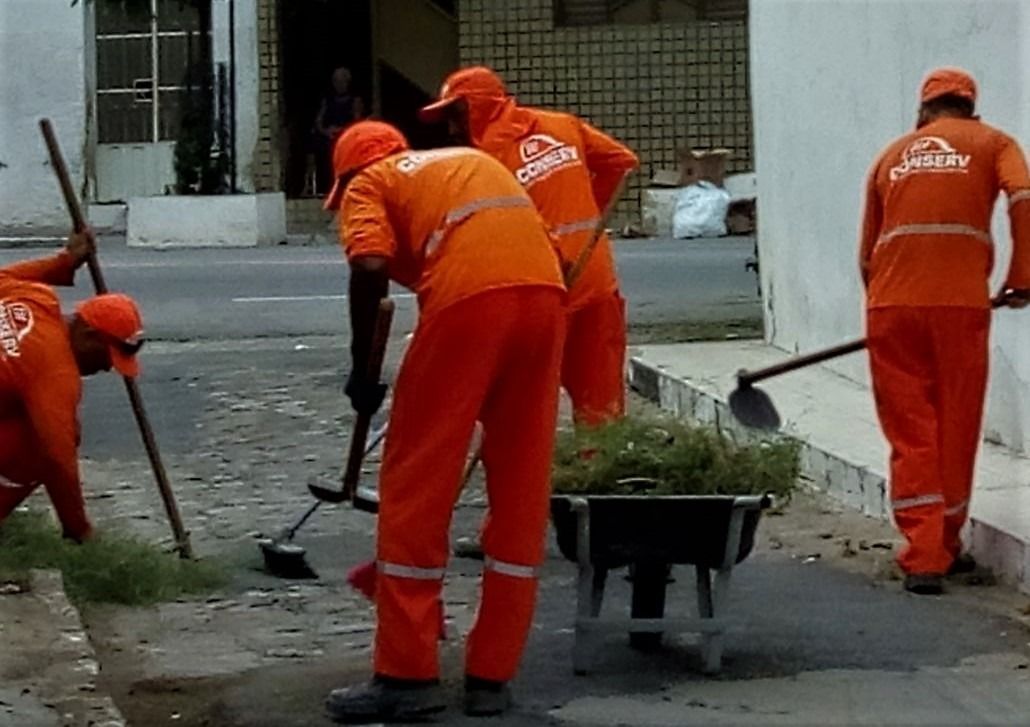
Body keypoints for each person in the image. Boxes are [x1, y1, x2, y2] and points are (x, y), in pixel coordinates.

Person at [322, 121, 566, 722]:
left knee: (416, 479)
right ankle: (491, 676)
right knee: (520, 486)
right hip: (545, 297)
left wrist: (363, 366)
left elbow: (372, 262)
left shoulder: (367, 183)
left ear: (349, 172)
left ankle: (406, 676)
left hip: (469, 301)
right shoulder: (465, 164)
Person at [859, 67, 1030, 595]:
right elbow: (1023, 197)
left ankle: (924, 552)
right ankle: (944, 542)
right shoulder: (994, 142)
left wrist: (885, 306)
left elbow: (868, 249)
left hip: (892, 307)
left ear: (925, 110)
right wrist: (1022, 277)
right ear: (969, 107)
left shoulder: (893, 154)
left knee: (911, 430)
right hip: (959, 306)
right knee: (955, 423)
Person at [419, 66, 638, 427]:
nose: (451, 129)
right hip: (594, 277)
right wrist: (589, 218)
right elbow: (622, 163)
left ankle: (535, 473)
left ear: (476, 106)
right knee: (601, 401)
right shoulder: (563, 125)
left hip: (545, 285)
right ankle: (601, 470)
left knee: (523, 399)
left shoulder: (486, 160)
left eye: (454, 115)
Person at [0, 231, 146, 542]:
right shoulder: (55, 373)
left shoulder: (36, 298)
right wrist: (79, 529)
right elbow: (57, 458)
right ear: (89, 334)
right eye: (109, 357)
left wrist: (65, 261)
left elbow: (4, 275)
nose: (107, 367)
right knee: (42, 440)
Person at [314, 67, 365, 194]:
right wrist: (326, 131)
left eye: (342, 81)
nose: (339, 84)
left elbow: (357, 122)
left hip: (347, 136)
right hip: (330, 136)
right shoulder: (327, 100)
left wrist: (341, 131)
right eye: (336, 81)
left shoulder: (355, 100)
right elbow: (319, 121)